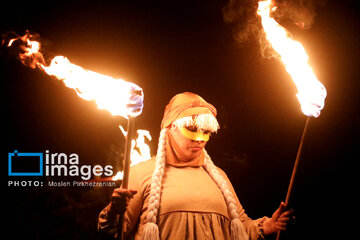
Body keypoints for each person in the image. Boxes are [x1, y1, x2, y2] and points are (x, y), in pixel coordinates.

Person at [98, 92, 293, 240]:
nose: (200, 139)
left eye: (206, 131)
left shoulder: (218, 177)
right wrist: (114, 211)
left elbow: (240, 227)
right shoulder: (141, 173)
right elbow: (114, 232)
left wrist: (267, 226)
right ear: (170, 128)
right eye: (191, 129)